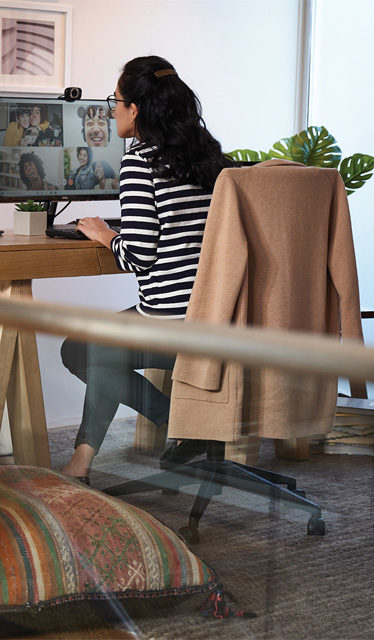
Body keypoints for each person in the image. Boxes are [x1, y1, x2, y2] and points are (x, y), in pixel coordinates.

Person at [58, 56, 237, 483]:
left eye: (115, 101)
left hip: (172, 322)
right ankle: (173, 431)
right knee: (98, 345)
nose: (112, 110)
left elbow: (139, 256)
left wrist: (104, 235)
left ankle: (90, 460)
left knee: (82, 350)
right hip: (221, 321)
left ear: (135, 109)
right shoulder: (211, 157)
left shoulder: (140, 163)